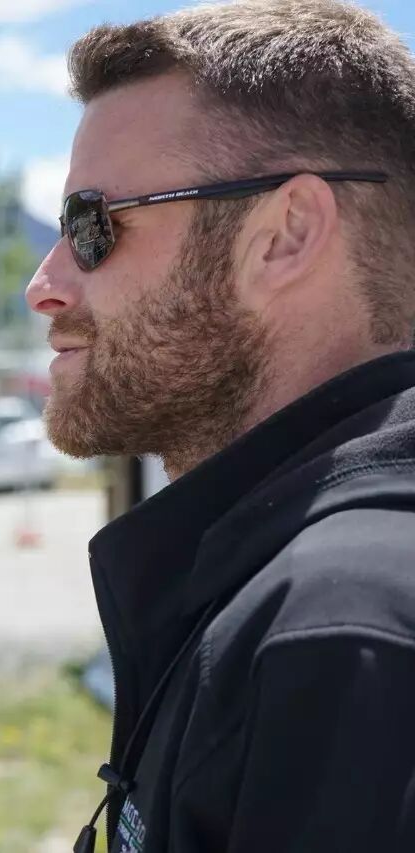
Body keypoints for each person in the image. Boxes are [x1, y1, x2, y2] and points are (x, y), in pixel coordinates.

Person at [29, 1, 415, 851]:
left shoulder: (341, 632)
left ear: (286, 235)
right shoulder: (280, 579)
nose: (44, 284)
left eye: (91, 225)